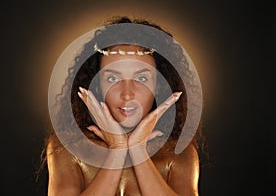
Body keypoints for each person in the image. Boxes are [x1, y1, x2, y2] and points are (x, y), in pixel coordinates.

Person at [43, 16, 204, 196]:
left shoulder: (178, 151)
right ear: (96, 85)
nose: (127, 94)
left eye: (141, 79)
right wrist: (118, 150)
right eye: (113, 79)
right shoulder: (69, 145)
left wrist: (137, 151)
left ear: (159, 86)